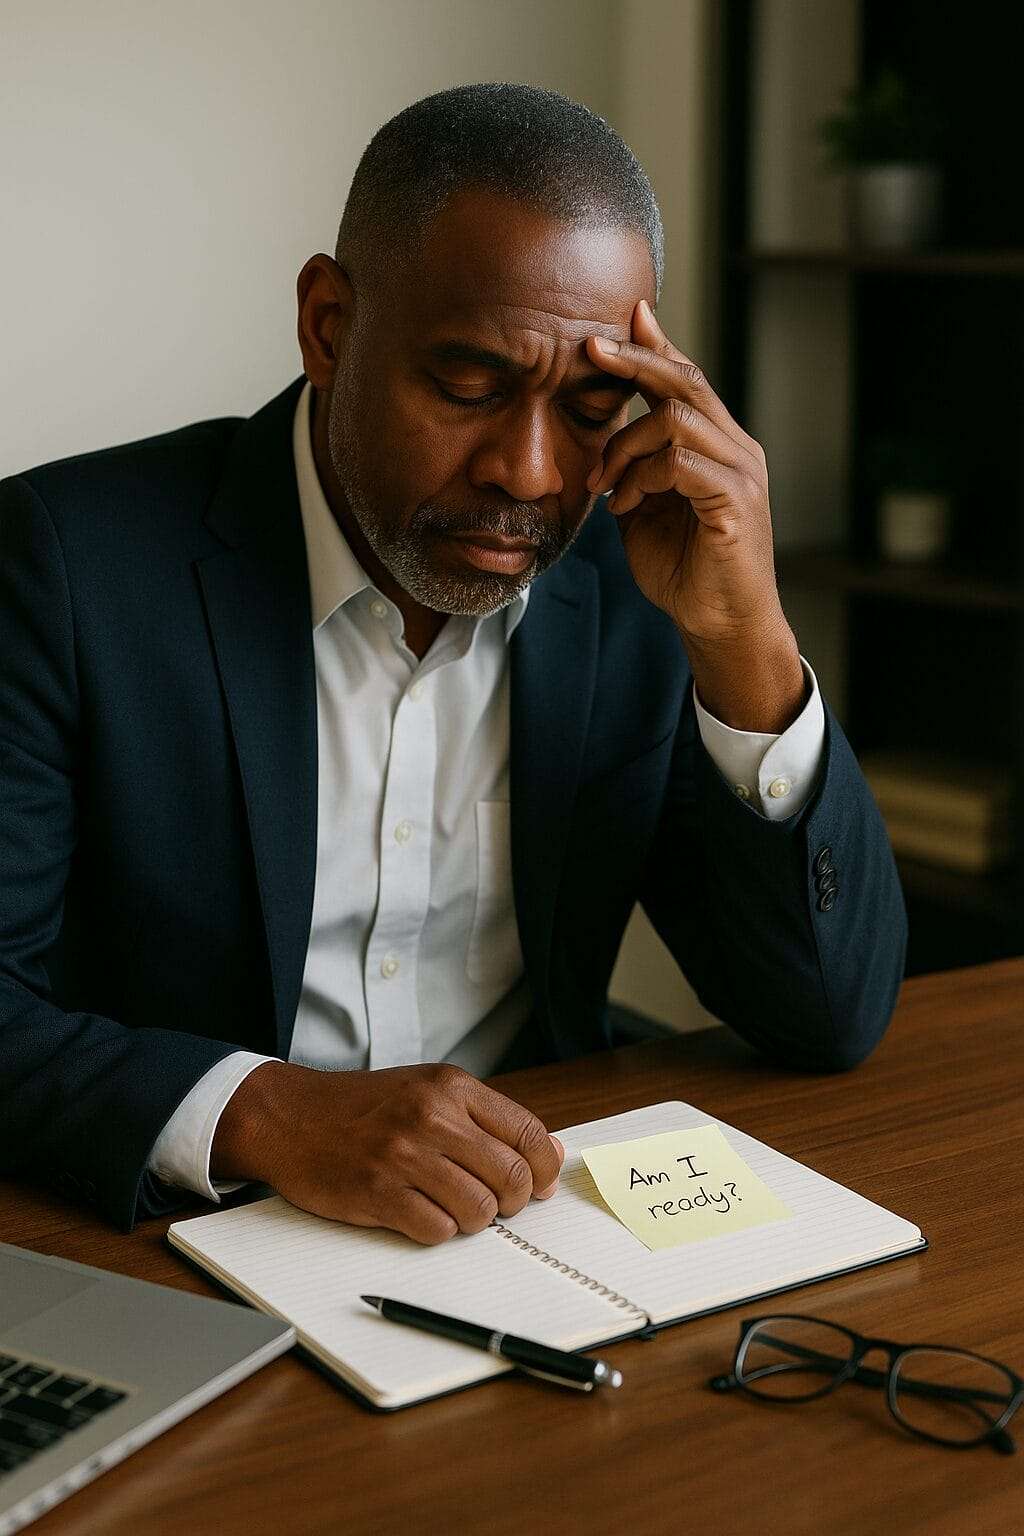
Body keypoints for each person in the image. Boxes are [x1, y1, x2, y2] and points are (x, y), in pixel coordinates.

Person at [0, 82, 905, 1244]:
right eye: (469, 384)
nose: (529, 474)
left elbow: (825, 1017)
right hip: (180, 1239)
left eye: (590, 406)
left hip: (534, 1231)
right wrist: (266, 1113)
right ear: (328, 325)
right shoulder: (66, 569)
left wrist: (747, 645)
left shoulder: (640, 581)